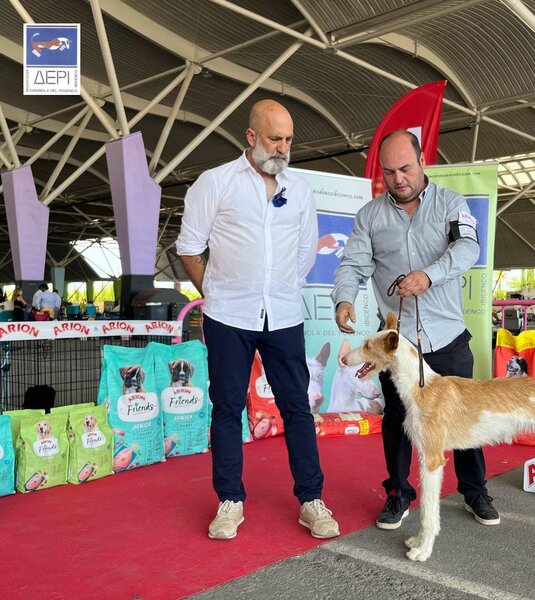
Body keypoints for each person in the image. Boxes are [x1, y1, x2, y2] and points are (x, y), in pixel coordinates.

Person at [176, 99, 339, 541]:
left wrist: (282, 287)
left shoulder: (300, 189)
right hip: (228, 316)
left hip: (283, 315)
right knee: (227, 407)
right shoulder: (216, 183)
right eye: (274, 138)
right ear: (251, 137)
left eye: (288, 139)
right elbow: (189, 246)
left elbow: (305, 252)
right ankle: (230, 501)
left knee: (297, 407)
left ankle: (311, 500)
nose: (283, 147)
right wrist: (216, 292)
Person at [332, 130, 499, 530]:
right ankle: (398, 494)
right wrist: (344, 299)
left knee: (464, 415)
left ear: (423, 161)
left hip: (446, 336)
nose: (399, 179)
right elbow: (352, 264)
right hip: (398, 344)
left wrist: (429, 275)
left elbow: (467, 248)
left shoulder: (451, 204)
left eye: (406, 168)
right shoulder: (369, 216)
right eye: (389, 172)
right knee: (397, 420)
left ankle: (474, 490)